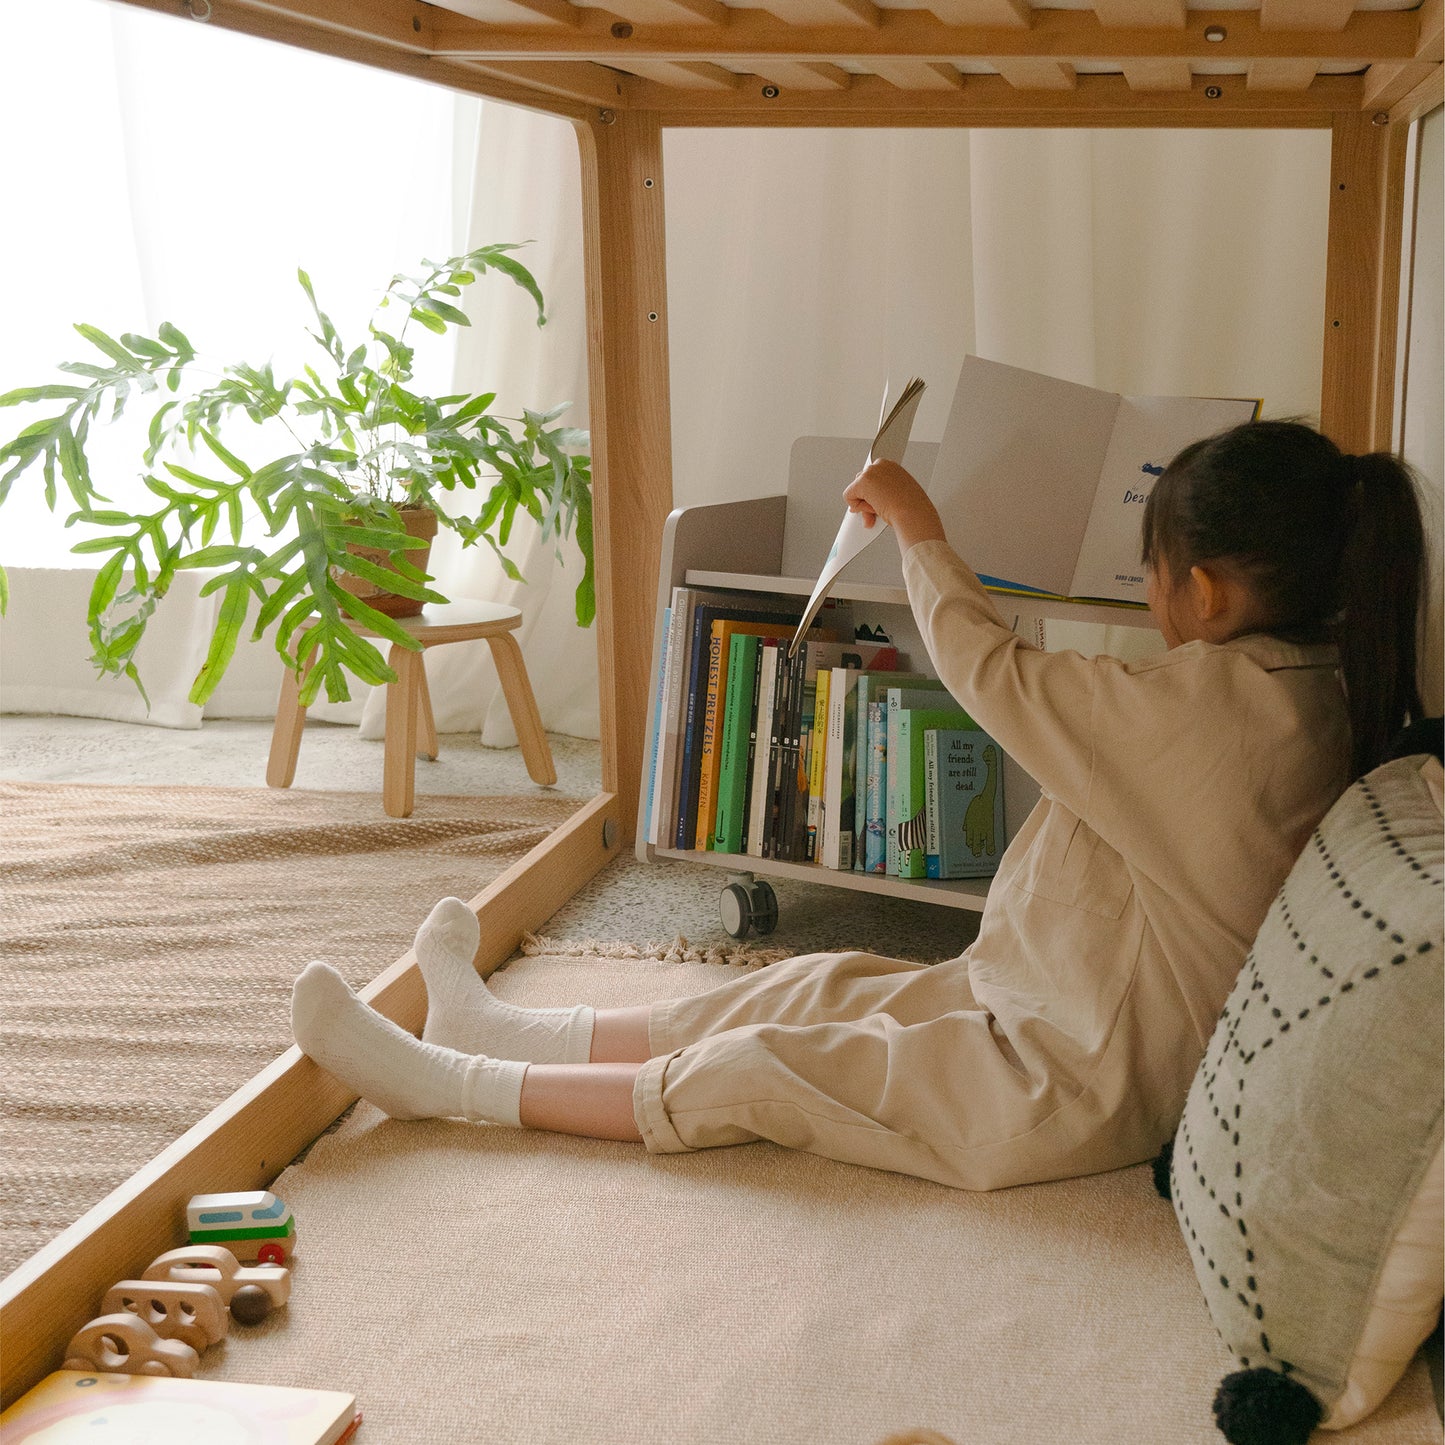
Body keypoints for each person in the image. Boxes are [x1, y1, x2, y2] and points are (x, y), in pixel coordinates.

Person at [291, 420, 1428, 1191]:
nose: (1143, 594)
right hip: (1038, 1009)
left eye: (1148, 571)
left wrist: (918, 530)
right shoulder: (1293, 687)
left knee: (777, 1067)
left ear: (1207, 589)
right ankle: (510, 1027)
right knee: (818, 982)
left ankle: (465, 1088)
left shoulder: (1218, 712)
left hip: (1069, 1084)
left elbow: (1002, 679)